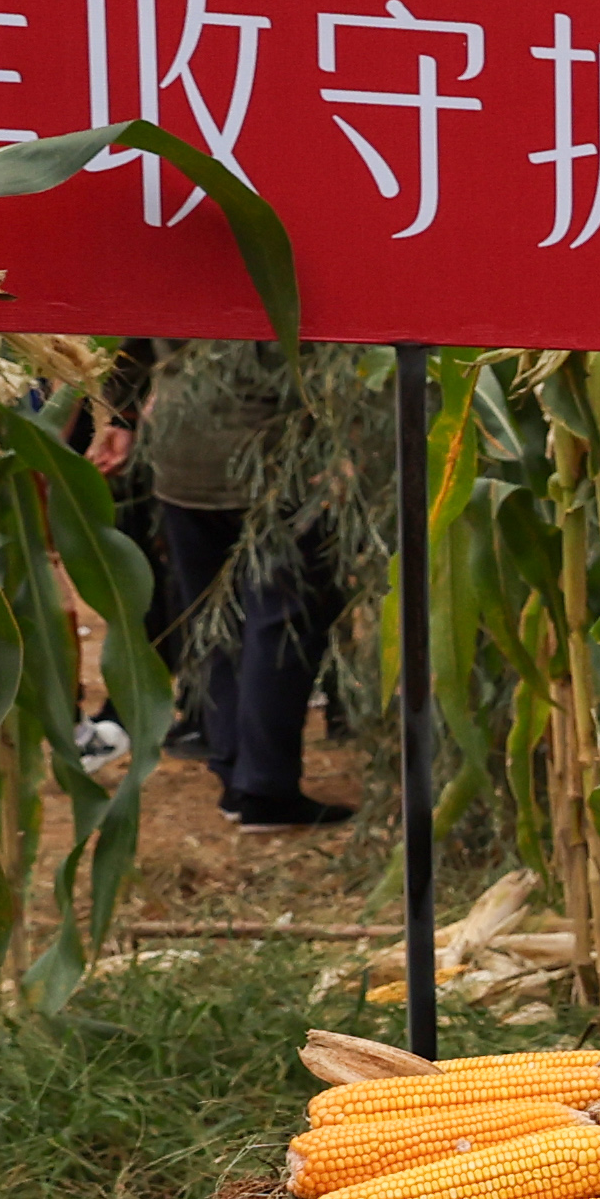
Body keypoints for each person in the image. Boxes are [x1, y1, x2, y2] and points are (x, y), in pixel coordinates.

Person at [139, 338, 356, 833]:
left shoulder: (171, 259)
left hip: (182, 449)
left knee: (216, 617)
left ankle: (234, 766)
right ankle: (265, 789)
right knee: (281, 620)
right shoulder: (290, 260)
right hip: (268, 451)